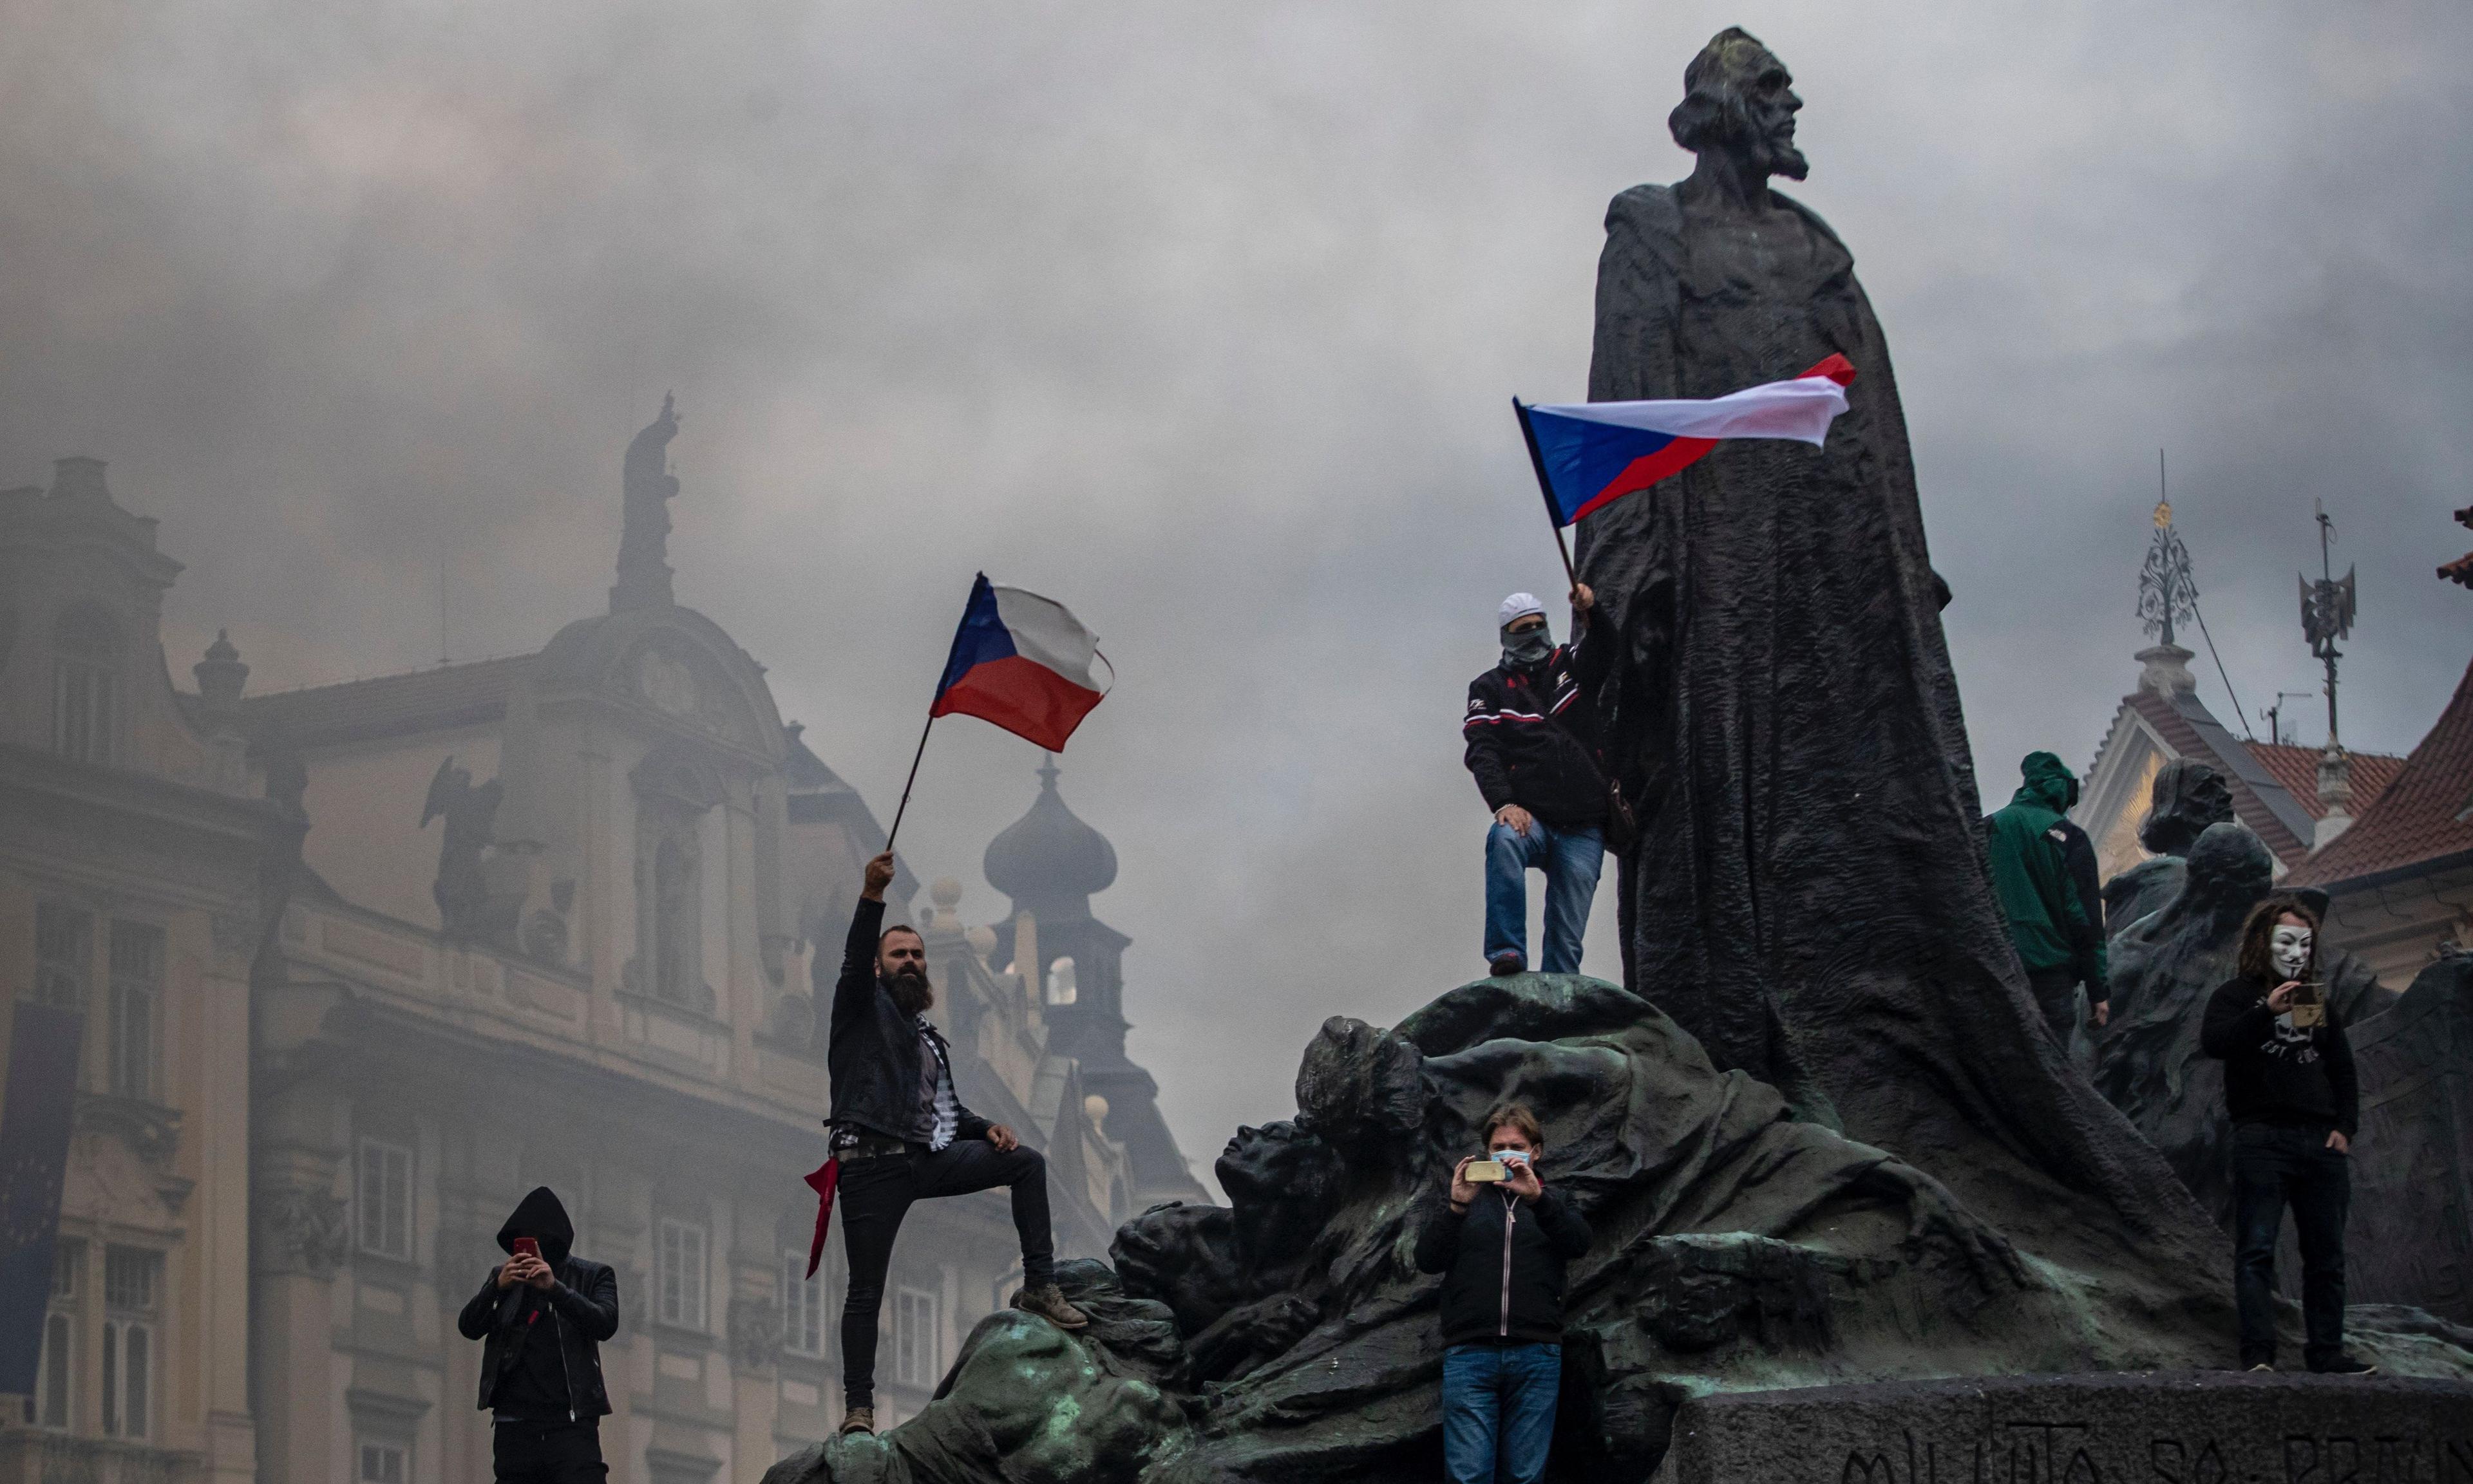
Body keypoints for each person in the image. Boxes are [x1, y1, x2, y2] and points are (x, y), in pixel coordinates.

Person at [826, 850, 1088, 1436]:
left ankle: (1041, 1285)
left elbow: (940, 1109)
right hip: (869, 1167)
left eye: (918, 954)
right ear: (878, 968)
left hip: (925, 1157)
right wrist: (871, 895)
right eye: (900, 955)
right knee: (866, 1289)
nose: (913, 961)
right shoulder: (859, 1010)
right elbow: (850, 959)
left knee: (1024, 1162)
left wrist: (984, 1127)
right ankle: (859, 1409)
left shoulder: (926, 1037)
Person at [2199, 896, 2374, 1375]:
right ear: (2263, 942)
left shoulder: (2311, 1000)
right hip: (2262, 1137)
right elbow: (2217, 1042)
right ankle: (2259, 1354)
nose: (2297, 952)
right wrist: (2264, 1010)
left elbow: (2335, 1064)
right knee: (2256, 1247)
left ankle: (2326, 1351)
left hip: (2319, 1141)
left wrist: (2345, 1126)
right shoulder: (2235, 996)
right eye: (2286, 941)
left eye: (2305, 943)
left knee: (2326, 1255)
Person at [1413, 1104, 1592, 1484]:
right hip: (1470, 1352)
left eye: (1517, 1145)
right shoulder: (1468, 1200)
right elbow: (1427, 1260)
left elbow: (1578, 1244)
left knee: (1525, 1476)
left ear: (1536, 1152)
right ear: (1486, 1151)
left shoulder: (1557, 1201)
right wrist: (1456, 1207)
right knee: (1468, 1474)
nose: (1507, 1152)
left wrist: (1537, 1200)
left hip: (1537, 1353)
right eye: (1498, 1146)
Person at [1463, 585, 1611, 976]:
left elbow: (1607, 650)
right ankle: (1506, 953)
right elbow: (1483, 750)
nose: (1532, 632)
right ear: (1506, 636)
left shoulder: (1571, 664)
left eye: (1538, 624)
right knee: (1504, 840)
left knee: (1567, 944)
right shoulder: (1488, 689)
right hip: (1533, 820)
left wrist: (1592, 613)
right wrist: (1503, 803)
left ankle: (1559, 1013)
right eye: (1522, 627)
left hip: (1584, 825)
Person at [455, 1187, 621, 1483]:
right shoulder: (504, 1278)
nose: (531, 1245)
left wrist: (554, 1288)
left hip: (570, 1424)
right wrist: (497, 1288)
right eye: (523, 1237)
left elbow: (605, 1322)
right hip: (515, 1426)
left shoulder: (592, 1275)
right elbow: (469, 1326)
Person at [1982, 751, 2108, 1043]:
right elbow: (2086, 919)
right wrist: (2097, 990)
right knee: (2052, 1069)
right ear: (2062, 790)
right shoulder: (2070, 837)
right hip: (2051, 979)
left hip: (1994, 974)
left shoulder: (1987, 829)